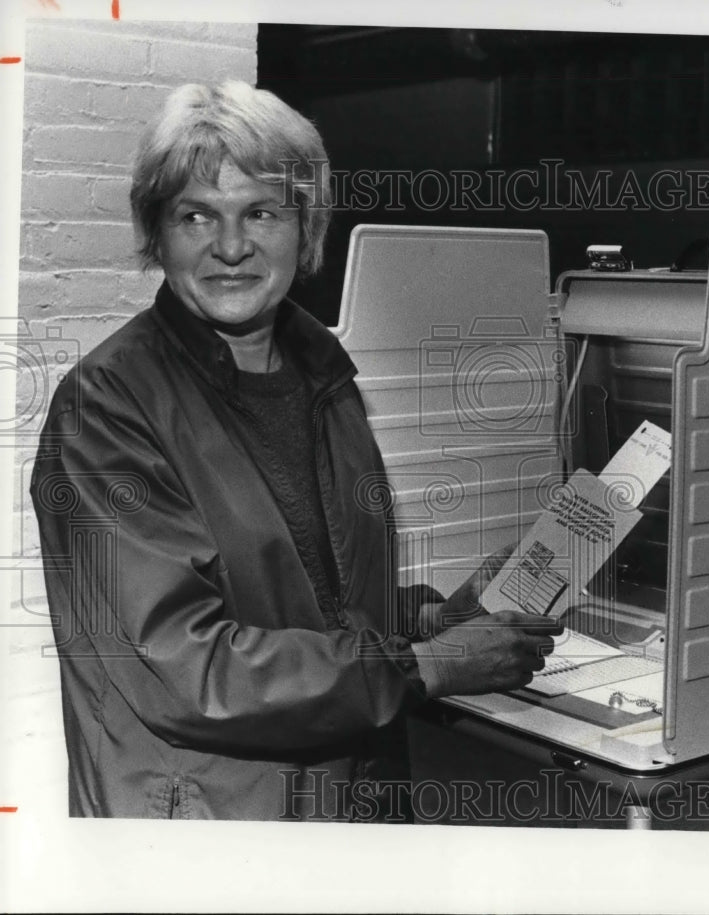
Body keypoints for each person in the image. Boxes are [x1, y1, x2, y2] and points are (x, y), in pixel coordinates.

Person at [30, 80, 560, 821]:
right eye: (195, 215)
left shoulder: (322, 377)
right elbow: (188, 666)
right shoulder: (109, 407)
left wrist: (439, 620)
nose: (232, 246)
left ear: (304, 228)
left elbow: (313, 602)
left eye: (261, 212)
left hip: (344, 804)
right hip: (210, 834)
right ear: (158, 234)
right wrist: (427, 666)